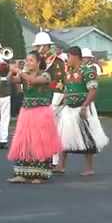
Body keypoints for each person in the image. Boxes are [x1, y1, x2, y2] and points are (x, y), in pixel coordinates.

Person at [7, 51, 62, 184]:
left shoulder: (45, 75)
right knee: (25, 141)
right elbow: (10, 80)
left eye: (31, 60)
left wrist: (19, 71)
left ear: (38, 62)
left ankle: (41, 174)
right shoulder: (25, 75)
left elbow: (33, 81)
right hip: (27, 112)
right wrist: (11, 70)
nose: (28, 62)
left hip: (41, 112)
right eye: (27, 60)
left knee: (40, 142)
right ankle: (22, 173)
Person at [55, 46, 108, 176]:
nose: (67, 59)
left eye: (68, 57)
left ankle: (89, 168)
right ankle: (61, 166)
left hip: (82, 108)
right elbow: (67, 90)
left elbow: (93, 90)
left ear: (74, 56)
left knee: (87, 136)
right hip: (69, 109)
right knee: (63, 136)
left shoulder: (88, 71)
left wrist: (85, 105)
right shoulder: (68, 72)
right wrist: (61, 103)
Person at [32, 32, 66, 166]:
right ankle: (43, 156)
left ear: (46, 46)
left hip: (54, 97)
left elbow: (61, 82)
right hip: (40, 97)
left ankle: (54, 159)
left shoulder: (56, 61)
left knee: (53, 129)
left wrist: (58, 101)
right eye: (37, 46)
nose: (38, 49)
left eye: (40, 46)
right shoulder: (36, 61)